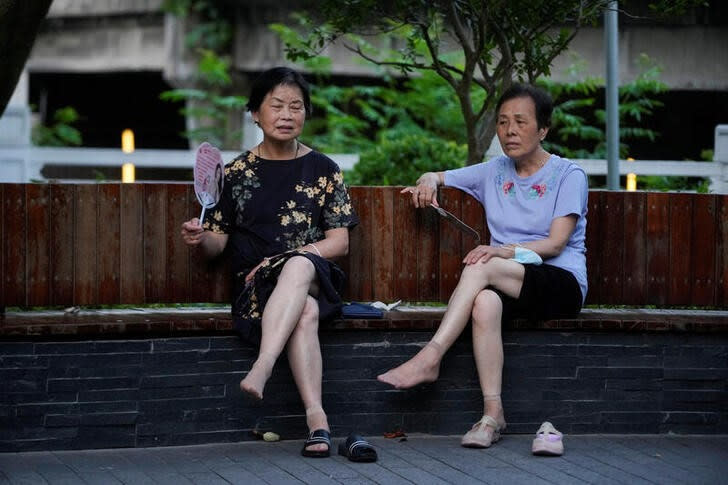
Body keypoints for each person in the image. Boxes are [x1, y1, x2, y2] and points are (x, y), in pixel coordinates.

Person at [377, 83, 588, 449]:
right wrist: (427, 180)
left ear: (543, 129)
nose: (510, 131)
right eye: (503, 122)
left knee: (480, 266)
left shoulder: (568, 175)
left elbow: (555, 244)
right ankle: (492, 416)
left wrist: (502, 251)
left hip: (561, 281)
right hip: (512, 281)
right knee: (484, 302)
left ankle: (431, 356)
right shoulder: (494, 171)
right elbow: (441, 176)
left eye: (521, 122)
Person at [181, 67, 358, 458]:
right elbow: (217, 245)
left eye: (296, 106)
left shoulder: (324, 170)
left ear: (306, 114)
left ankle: (263, 364)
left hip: (314, 275)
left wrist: (288, 256)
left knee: (298, 266)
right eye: (276, 105)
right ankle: (318, 423)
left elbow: (339, 242)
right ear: (256, 114)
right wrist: (201, 237)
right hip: (257, 289)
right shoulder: (236, 174)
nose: (286, 114)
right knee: (305, 313)